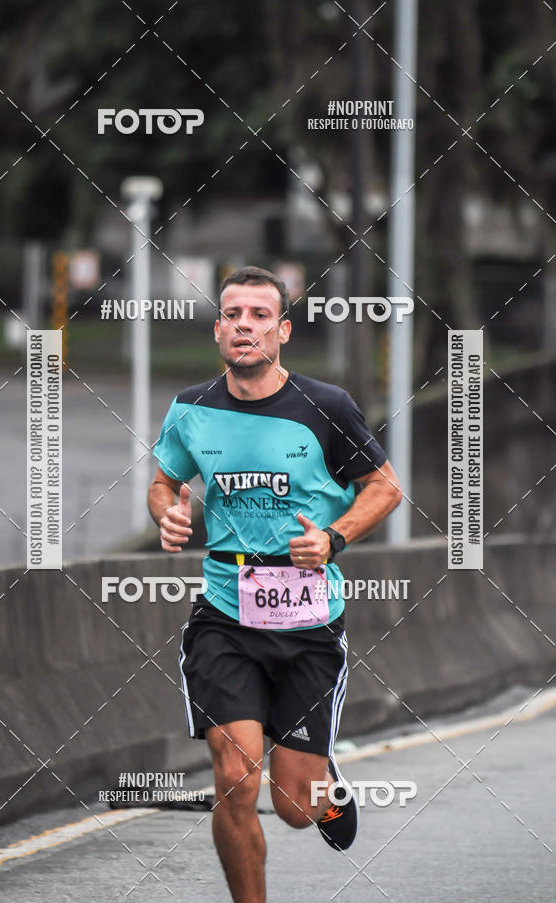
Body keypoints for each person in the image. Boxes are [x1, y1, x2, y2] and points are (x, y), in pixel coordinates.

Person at [147, 266, 402, 903]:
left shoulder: (327, 408)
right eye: (234, 314)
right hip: (224, 616)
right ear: (218, 330)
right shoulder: (191, 409)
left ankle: (325, 787)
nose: (245, 326)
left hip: (308, 620)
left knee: (292, 804)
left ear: (282, 330)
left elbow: (386, 488)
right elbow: (163, 480)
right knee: (235, 778)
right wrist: (169, 513)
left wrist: (333, 539)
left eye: (260, 315)